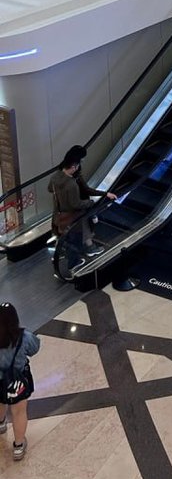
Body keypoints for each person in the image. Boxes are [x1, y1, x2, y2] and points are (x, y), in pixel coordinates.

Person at [48, 150, 117, 267]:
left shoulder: (55, 177)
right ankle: (76, 262)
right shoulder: (71, 184)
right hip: (72, 216)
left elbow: (50, 189)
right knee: (76, 237)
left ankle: (61, 253)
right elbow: (76, 204)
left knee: (64, 235)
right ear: (73, 167)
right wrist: (91, 202)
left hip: (59, 214)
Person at [0, 303, 40, 461]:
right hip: (18, 381)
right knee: (19, 412)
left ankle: (1, 423)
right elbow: (34, 348)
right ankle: (18, 446)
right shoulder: (24, 337)